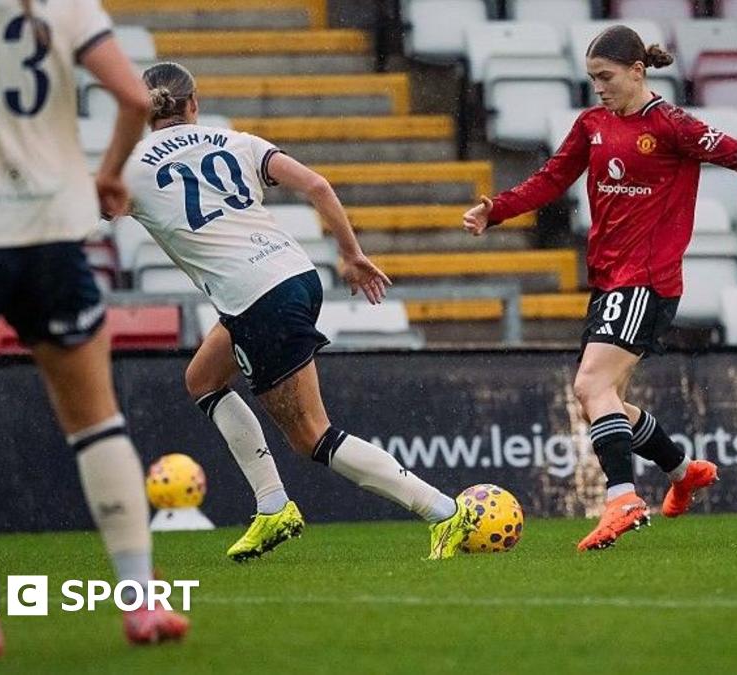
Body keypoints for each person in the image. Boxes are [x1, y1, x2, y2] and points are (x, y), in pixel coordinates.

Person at [0, 0, 189, 659]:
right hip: (51, 233)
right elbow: (135, 98)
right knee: (96, 421)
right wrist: (107, 176)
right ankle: (142, 602)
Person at [462, 26, 737, 550]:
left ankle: (622, 496)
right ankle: (683, 470)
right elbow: (553, 178)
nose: (598, 87)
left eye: (606, 77)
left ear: (638, 71)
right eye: (592, 78)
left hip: (647, 280)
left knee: (589, 386)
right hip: (609, 280)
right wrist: (498, 210)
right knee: (604, 402)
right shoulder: (592, 124)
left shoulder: (671, 124)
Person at [122, 62, 479, 561]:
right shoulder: (235, 142)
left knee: (313, 435)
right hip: (295, 274)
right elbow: (317, 186)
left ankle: (443, 512)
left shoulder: (132, 167)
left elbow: (86, 211)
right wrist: (351, 255)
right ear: (194, 105)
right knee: (203, 378)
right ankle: (272, 506)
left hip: (254, 297)